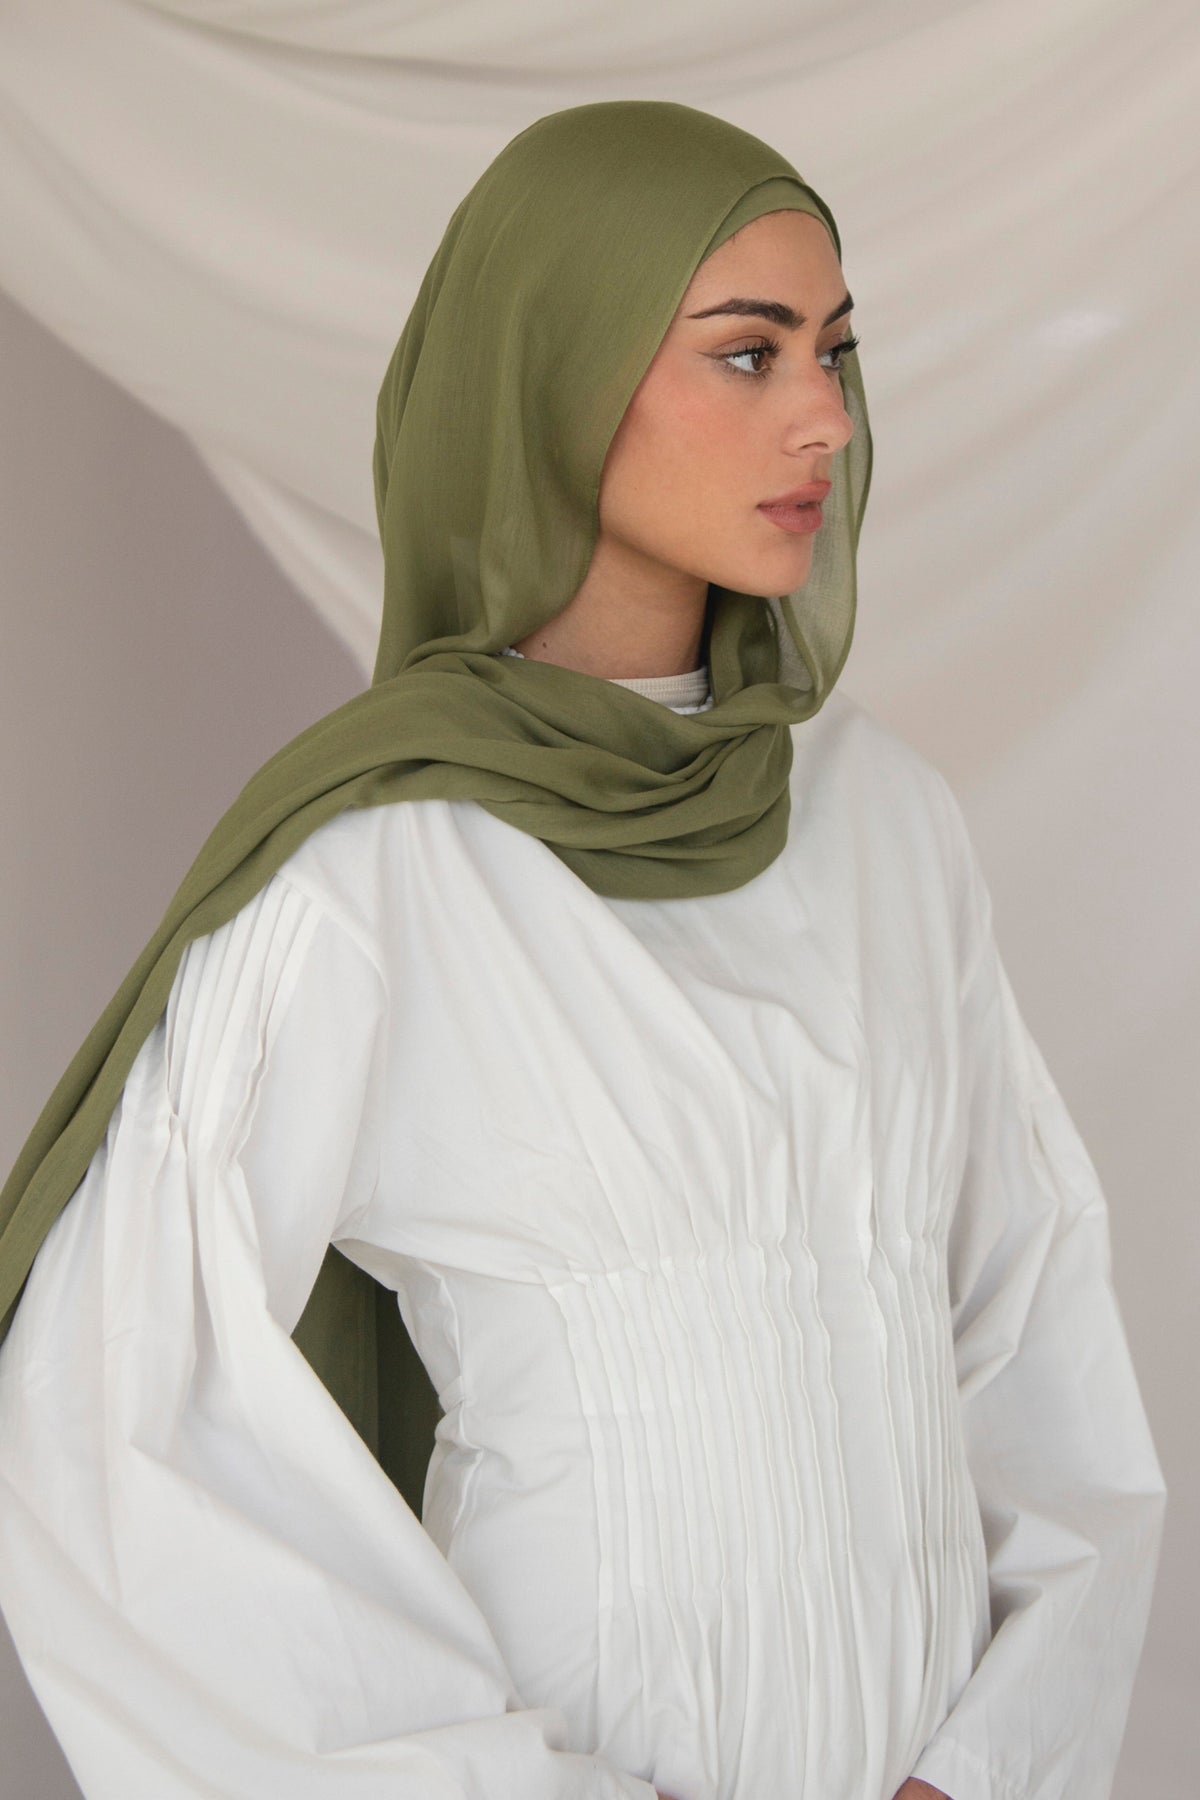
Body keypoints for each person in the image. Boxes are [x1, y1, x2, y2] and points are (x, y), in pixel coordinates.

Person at [0, 99, 1166, 1800]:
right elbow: (117, 1408)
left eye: (835, 350)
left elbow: (1029, 1329)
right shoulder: (384, 867)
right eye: (749, 354)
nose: (829, 417)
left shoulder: (884, 823)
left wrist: (982, 1772)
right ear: (556, 374)